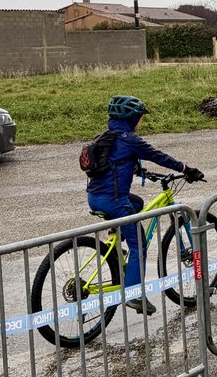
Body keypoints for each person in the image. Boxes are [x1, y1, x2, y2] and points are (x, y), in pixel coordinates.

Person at [86, 95, 204, 315]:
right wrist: (186, 169)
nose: (141, 122)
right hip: (114, 200)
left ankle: (117, 233)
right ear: (131, 118)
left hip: (95, 196)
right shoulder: (130, 139)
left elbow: (115, 163)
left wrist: (141, 171)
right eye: (140, 118)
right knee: (139, 245)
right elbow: (157, 156)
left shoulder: (106, 137)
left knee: (137, 202)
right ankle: (133, 294)